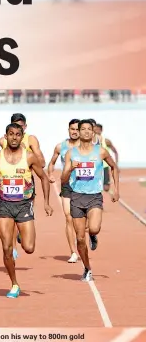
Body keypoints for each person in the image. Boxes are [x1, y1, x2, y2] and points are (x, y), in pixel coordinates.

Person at [0, 122, 53, 298]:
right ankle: (14, 284)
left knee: (29, 248)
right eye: (11, 134)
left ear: (22, 137)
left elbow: (43, 178)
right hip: (4, 205)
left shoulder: (29, 157)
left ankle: (21, 234)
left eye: (17, 134)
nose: (14, 137)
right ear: (6, 136)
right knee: (6, 248)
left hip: (23, 205)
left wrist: (46, 202)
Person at [61, 119, 119, 281]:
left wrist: (116, 189)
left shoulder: (100, 151)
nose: (86, 131)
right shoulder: (71, 153)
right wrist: (70, 168)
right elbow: (63, 178)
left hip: (94, 197)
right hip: (76, 196)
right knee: (80, 238)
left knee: (93, 229)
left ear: (93, 132)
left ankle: (93, 236)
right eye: (83, 129)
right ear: (78, 132)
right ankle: (87, 268)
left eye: (89, 129)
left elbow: (113, 167)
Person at [0, 113, 45, 260]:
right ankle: (13, 247)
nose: (19, 129)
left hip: (26, 182)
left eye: (22, 126)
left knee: (25, 213)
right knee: (9, 218)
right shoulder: (3, 140)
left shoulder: (31, 139)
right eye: (15, 125)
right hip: (8, 182)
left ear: (25, 127)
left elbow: (41, 162)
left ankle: (24, 231)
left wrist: (27, 153)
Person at [48, 118, 80, 263]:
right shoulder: (60, 147)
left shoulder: (87, 147)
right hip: (67, 184)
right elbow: (52, 162)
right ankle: (73, 251)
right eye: (72, 129)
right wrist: (50, 174)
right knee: (68, 217)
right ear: (69, 130)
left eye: (77, 129)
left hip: (84, 185)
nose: (75, 132)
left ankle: (90, 234)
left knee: (82, 220)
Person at [93, 123, 119, 192]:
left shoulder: (106, 141)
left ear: (101, 130)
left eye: (98, 129)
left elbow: (115, 152)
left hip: (104, 166)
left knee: (106, 188)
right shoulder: (91, 141)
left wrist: (116, 164)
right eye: (95, 129)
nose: (96, 131)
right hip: (95, 166)